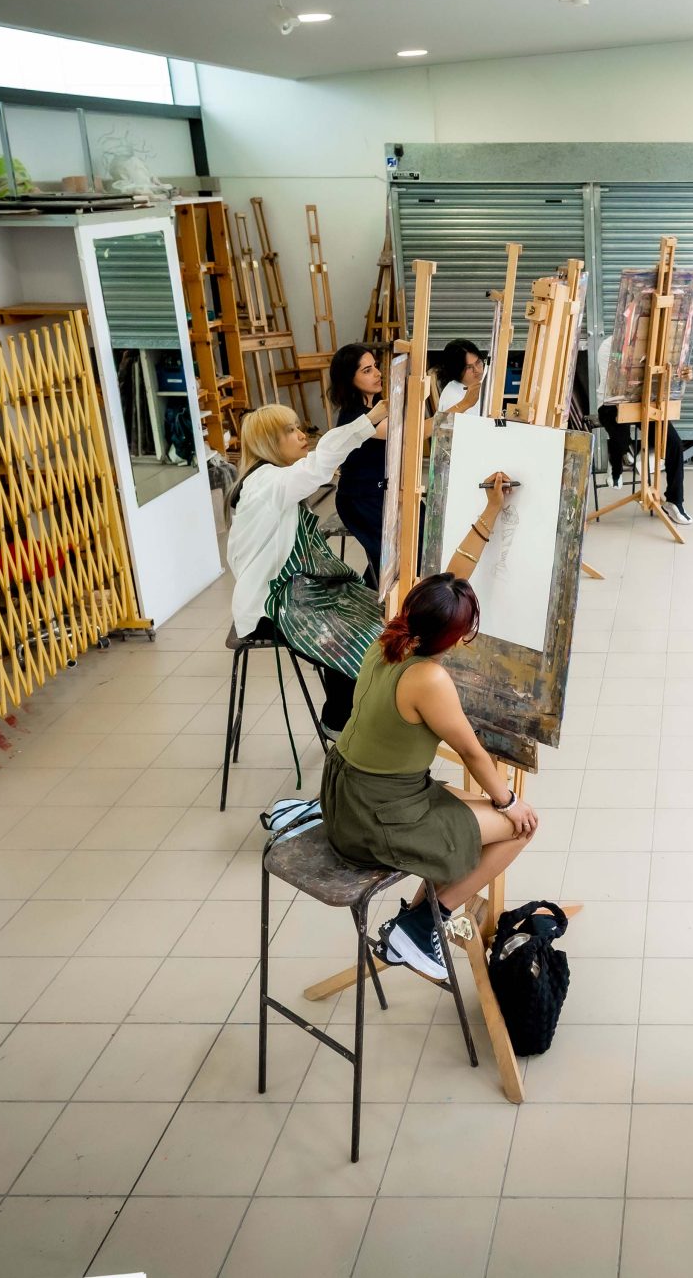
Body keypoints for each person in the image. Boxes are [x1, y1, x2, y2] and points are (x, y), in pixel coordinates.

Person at [326, 475, 541, 979]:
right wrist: (512, 803)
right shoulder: (429, 678)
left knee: (479, 811)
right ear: (457, 635)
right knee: (518, 827)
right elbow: (470, 752)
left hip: (349, 793)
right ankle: (426, 923)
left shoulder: (395, 631)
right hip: (376, 818)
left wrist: (491, 511)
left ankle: (417, 918)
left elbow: (449, 577)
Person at [227, 401, 387, 736]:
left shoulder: (272, 479)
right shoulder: (267, 483)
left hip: (297, 587)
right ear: (269, 442)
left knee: (372, 610)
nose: (302, 435)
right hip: (273, 605)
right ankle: (338, 720)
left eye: (299, 427)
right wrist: (369, 421)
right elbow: (318, 466)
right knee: (357, 629)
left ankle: (351, 709)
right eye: (290, 431)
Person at [326, 342, 389, 585]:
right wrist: (458, 408)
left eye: (375, 367)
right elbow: (404, 431)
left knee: (419, 529)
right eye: (367, 370)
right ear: (348, 379)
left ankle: (373, 595)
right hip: (360, 500)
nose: (377, 373)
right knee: (391, 554)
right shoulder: (355, 416)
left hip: (379, 492)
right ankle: (376, 601)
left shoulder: (374, 408)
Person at [597, 399, 693, 527]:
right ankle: (616, 462)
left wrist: (682, 378)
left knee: (674, 444)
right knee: (621, 436)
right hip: (613, 404)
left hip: (648, 404)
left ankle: (674, 501)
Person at [435, 338, 486, 416]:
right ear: (456, 371)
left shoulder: (472, 384)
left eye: (478, 362)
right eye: (469, 367)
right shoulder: (452, 398)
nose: (477, 370)